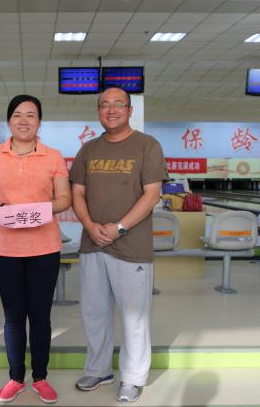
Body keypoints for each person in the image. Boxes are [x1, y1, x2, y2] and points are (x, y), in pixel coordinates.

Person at [70, 86, 167, 403]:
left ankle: (133, 378)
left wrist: (119, 227)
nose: (111, 110)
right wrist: (90, 226)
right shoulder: (88, 150)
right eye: (104, 105)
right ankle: (98, 370)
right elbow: (77, 193)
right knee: (94, 313)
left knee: (133, 317)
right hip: (92, 244)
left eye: (118, 104)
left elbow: (152, 195)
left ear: (129, 110)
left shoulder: (148, 146)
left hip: (132, 248)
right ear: (98, 111)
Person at [0, 94, 71, 404]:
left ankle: (40, 378)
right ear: (9, 121)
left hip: (45, 247)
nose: (24, 120)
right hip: (6, 248)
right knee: (14, 316)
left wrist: (40, 210)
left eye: (31, 115)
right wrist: (1, 208)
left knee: (40, 316)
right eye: (17, 114)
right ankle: (16, 378)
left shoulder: (53, 156)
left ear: (39, 121)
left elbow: (64, 199)